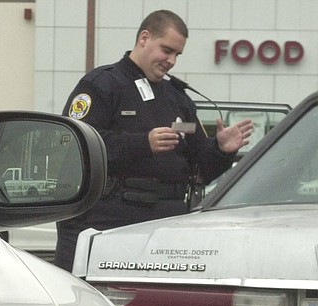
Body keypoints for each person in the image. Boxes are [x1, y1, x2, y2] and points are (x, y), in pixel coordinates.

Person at [54, 10, 254, 272]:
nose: (171, 61)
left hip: (166, 228)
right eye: (167, 50)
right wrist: (142, 143)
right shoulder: (103, 84)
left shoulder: (178, 98)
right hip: (108, 223)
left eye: (177, 55)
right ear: (144, 38)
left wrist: (220, 150)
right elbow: (76, 144)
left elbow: (200, 170)